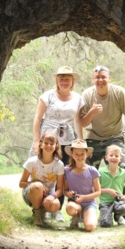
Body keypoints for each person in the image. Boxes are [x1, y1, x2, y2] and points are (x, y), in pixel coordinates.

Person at [31, 66, 85, 222]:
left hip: (68, 139)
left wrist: (80, 141)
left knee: (63, 174)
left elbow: (77, 121)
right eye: (61, 78)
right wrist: (36, 140)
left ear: (73, 81)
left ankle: (58, 208)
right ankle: (42, 208)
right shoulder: (48, 96)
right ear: (57, 80)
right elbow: (37, 118)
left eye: (67, 79)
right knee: (46, 172)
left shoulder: (77, 98)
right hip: (48, 140)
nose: (64, 82)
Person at [79, 65, 125, 169]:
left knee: (121, 169)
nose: (100, 80)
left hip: (115, 137)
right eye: (97, 77)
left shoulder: (119, 92)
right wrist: (92, 112)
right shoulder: (87, 95)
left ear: (109, 78)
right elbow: (82, 123)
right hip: (93, 138)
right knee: (85, 170)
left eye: (103, 77)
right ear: (93, 79)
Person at [19, 131, 64, 227]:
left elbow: (60, 189)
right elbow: (21, 183)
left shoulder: (59, 164)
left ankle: (42, 211)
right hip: (31, 193)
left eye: (51, 144)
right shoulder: (32, 162)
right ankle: (36, 213)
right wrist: (38, 184)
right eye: (46, 143)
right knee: (38, 186)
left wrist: (52, 196)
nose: (48, 146)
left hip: (48, 194)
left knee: (56, 205)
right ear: (41, 144)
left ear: (56, 146)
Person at [63, 139, 101, 232]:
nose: (79, 156)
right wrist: (69, 194)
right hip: (75, 203)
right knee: (70, 207)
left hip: (89, 203)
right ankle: (77, 216)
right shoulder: (67, 170)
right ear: (72, 155)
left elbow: (98, 192)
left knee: (90, 227)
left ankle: (86, 216)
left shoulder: (92, 170)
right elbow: (65, 190)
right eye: (76, 154)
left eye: (82, 154)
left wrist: (84, 197)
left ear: (86, 154)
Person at [98, 144, 125, 227]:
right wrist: (108, 190)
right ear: (106, 158)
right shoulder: (100, 172)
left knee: (124, 208)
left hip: (118, 202)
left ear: (120, 159)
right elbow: (94, 190)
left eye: (116, 156)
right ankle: (104, 217)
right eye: (111, 155)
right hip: (105, 202)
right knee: (106, 224)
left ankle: (119, 216)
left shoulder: (123, 172)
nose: (114, 157)